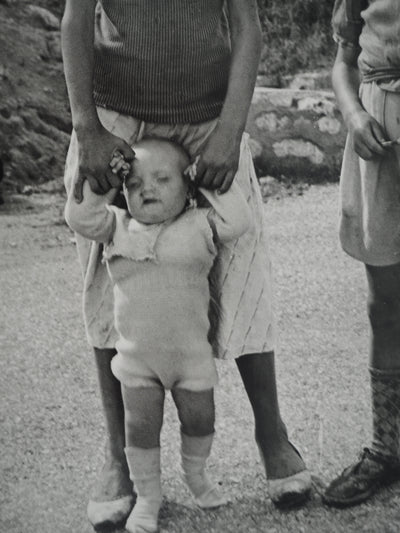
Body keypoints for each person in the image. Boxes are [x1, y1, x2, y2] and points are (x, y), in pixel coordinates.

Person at [61, 1, 311, 528]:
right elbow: (78, 18)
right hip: (116, 119)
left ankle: (273, 437)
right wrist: (86, 126)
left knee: (241, 271)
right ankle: (118, 460)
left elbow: (247, 25)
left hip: (209, 118)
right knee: (108, 278)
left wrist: (231, 130)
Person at [65, 137, 253, 532]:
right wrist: (105, 185)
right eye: (133, 184)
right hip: (138, 361)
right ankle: (148, 496)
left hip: (191, 358)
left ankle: (197, 476)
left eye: (163, 179)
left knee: (200, 420)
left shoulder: (199, 224)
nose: (146, 188)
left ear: (185, 189)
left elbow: (239, 221)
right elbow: (79, 219)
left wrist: (207, 182)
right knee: (141, 429)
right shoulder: (116, 227)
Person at [323, 0, 400, 508]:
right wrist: (353, 114)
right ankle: (389, 446)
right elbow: (344, 61)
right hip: (382, 134)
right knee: (386, 305)